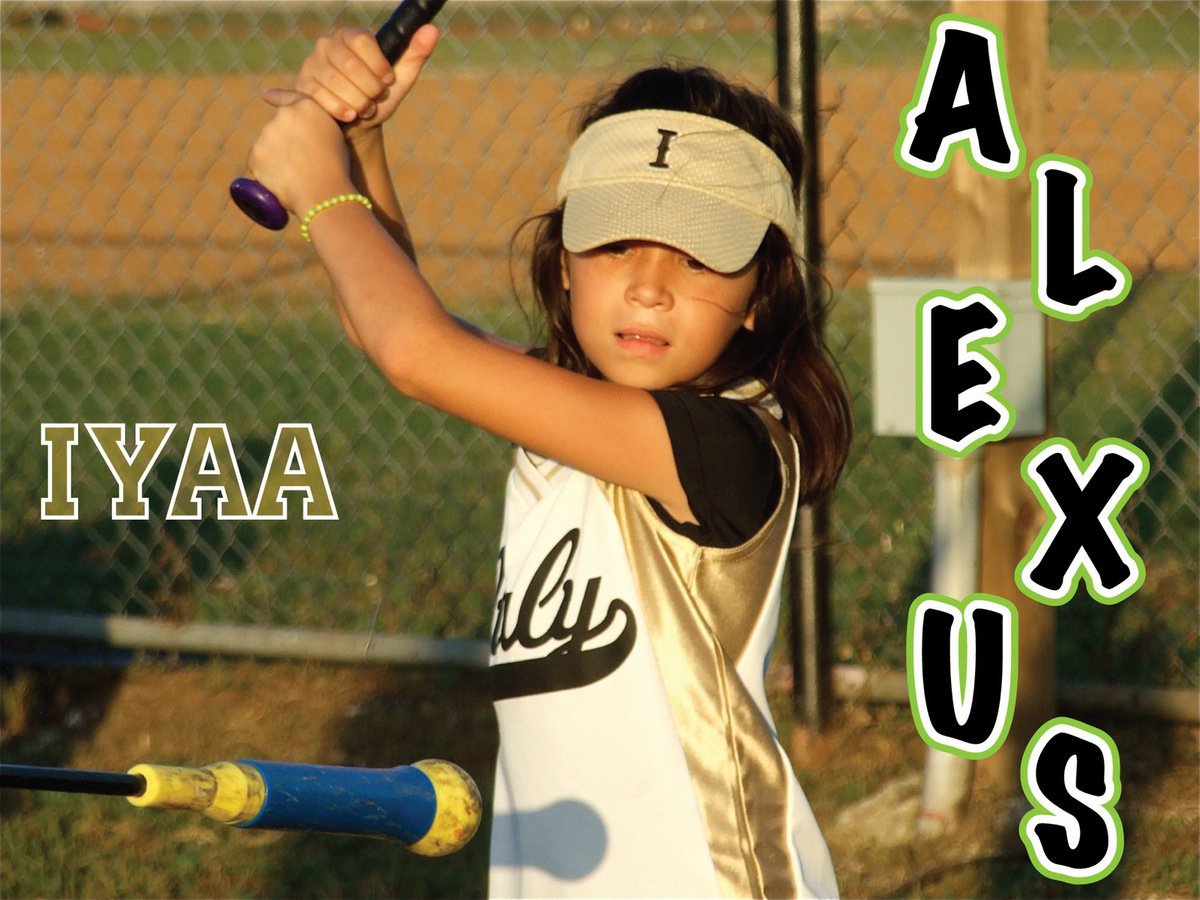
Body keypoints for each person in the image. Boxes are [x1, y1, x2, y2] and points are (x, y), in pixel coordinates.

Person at [248, 23, 851, 899]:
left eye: (697, 255)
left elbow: (415, 352)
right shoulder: (579, 410)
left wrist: (321, 192)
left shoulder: (726, 446)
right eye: (615, 243)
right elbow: (396, 324)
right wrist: (361, 143)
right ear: (563, 263)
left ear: (762, 294)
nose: (648, 285)